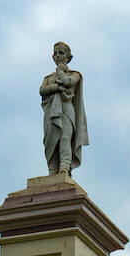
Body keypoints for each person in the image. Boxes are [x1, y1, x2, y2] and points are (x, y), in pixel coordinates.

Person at [40, 41, 88, 176]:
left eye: (61, 53)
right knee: (50, 141)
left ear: (68, 56)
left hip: (66, 109)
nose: (58, 56)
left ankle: (64, 168)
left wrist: (61, 72)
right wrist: (56, 87)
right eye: (55, 53)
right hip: (51, 111)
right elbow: (42, 90)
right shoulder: (48, 78)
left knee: (65, 138)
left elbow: (67, 82)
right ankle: (52, 170)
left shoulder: (75, 74)